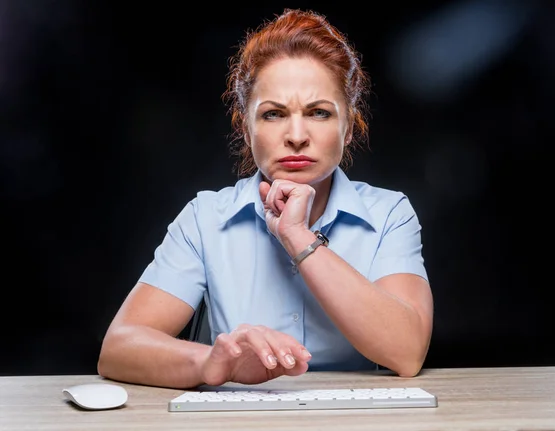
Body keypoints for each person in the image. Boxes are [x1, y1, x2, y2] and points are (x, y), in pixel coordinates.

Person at [97, 8, 434, 390]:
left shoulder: (389, 213)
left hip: (356, 418)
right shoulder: (206, 218)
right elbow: (119, 349)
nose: (296, 135)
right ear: (246, 127)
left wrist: (298, 236)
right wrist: (212, 361)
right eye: (273, 114)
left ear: (349, 125)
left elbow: (407, 353)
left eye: (319, 113)